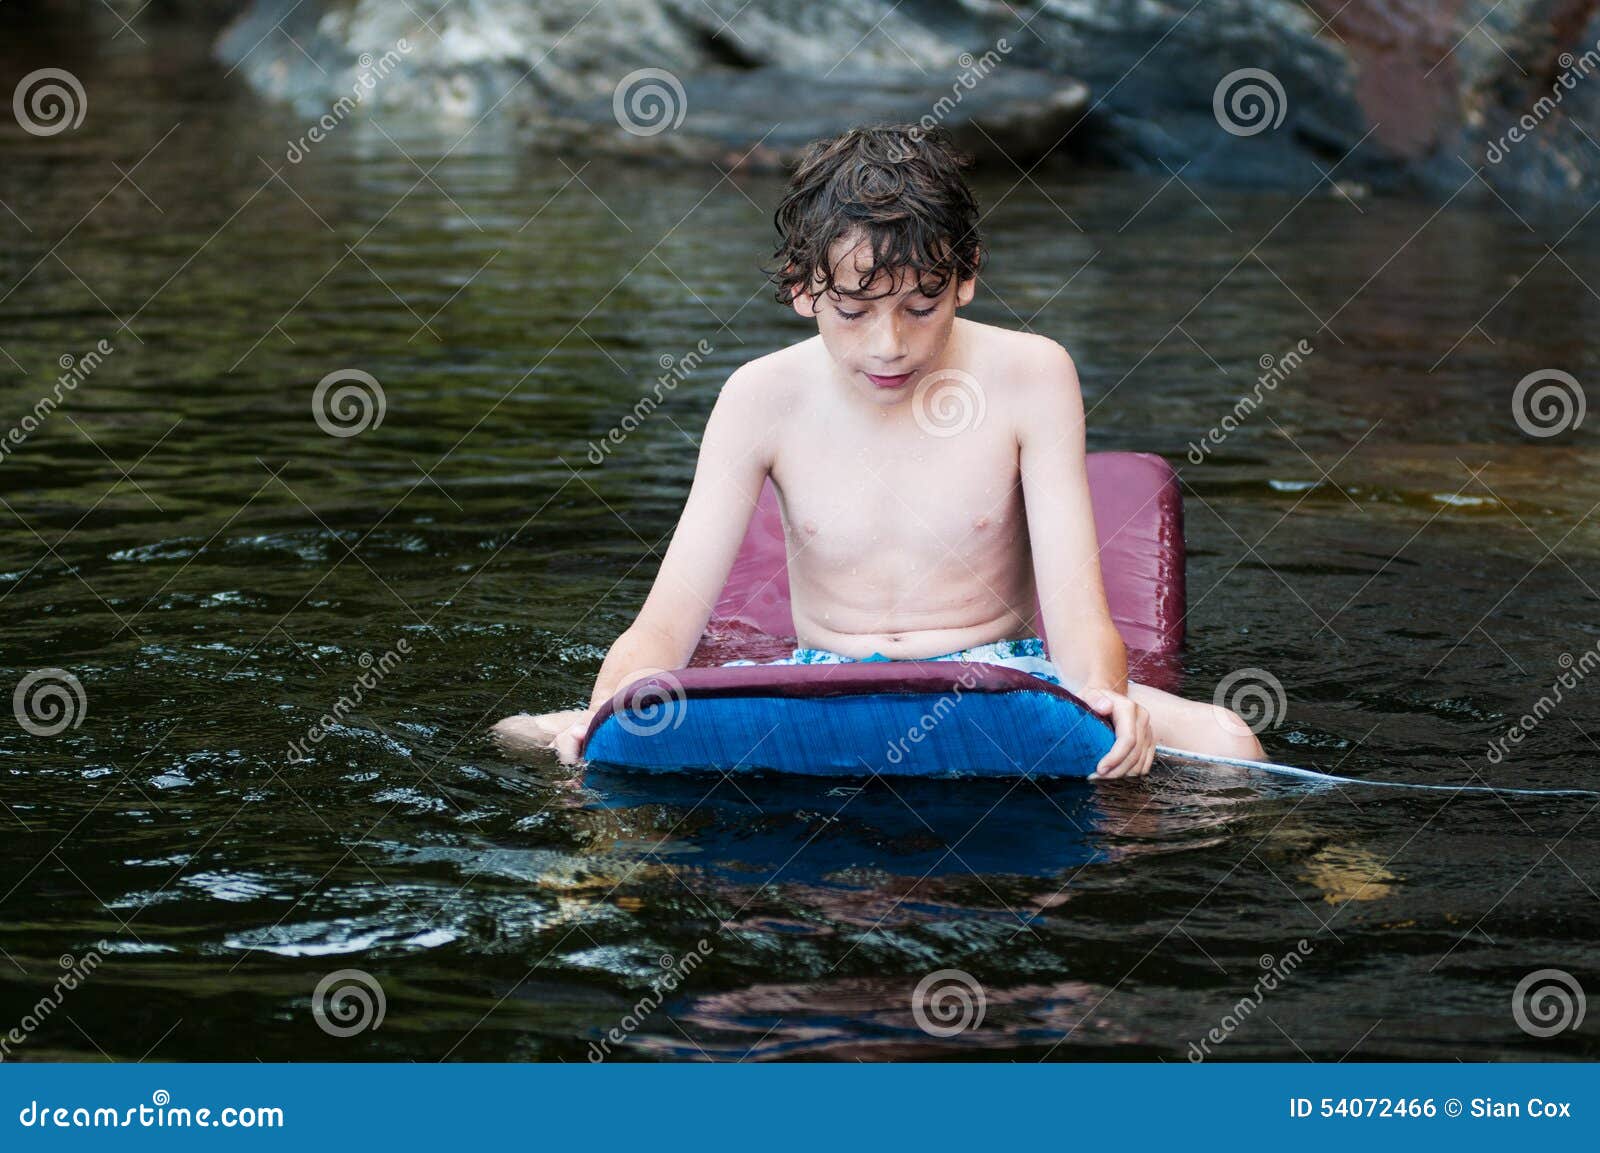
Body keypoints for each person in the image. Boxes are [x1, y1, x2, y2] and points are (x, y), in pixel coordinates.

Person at [494, 124, 1265, 778]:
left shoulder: (1033, 374)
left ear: (966, 279)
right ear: (803, 289)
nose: (889, 345)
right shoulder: (760, 396)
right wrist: (605, 715)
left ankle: (1331, 869)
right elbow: (665, 623)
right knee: (529, 732)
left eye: (920, 306)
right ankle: (593, 882)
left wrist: (1102, 695)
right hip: (820, 679)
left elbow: (1076, 608)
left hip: (1002, 672)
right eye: (854, 310)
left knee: (1232, 740)